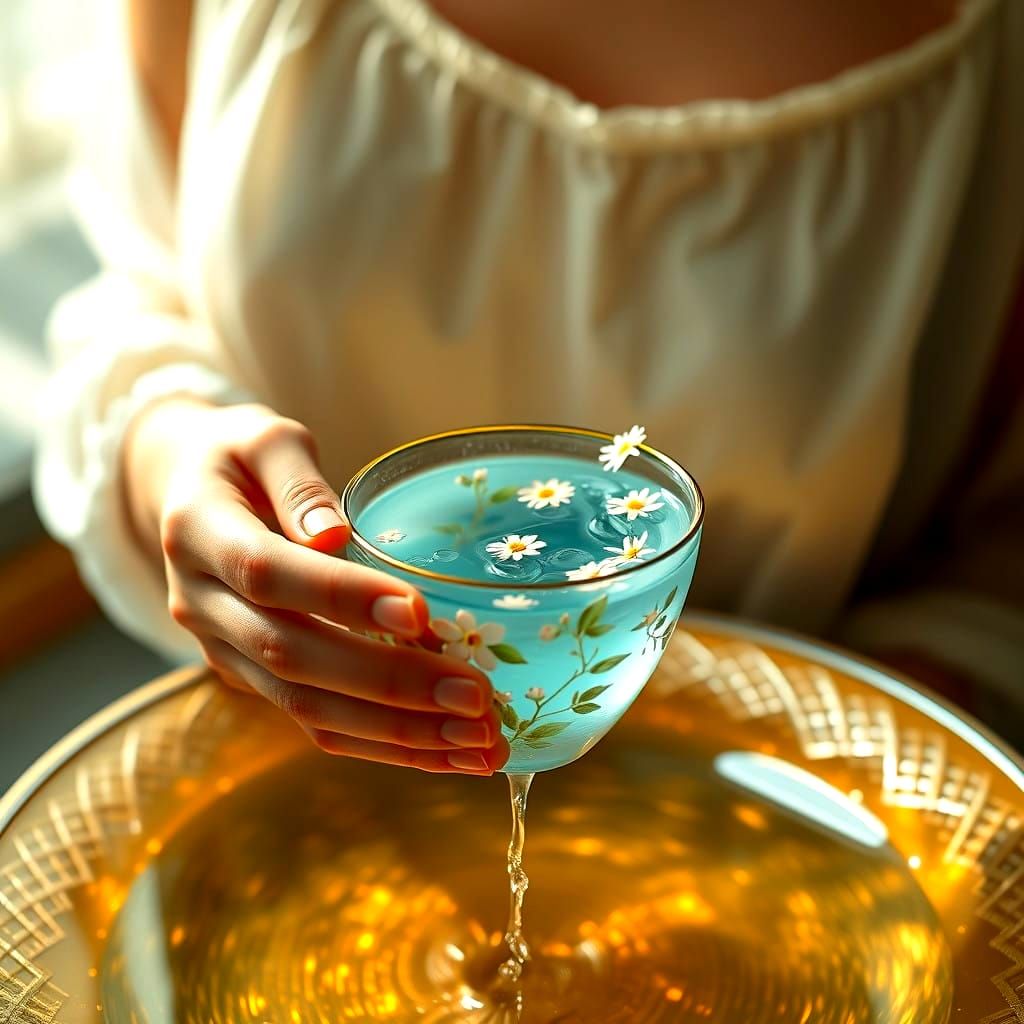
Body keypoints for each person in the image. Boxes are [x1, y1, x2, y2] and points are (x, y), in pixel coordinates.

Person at [33, 0, 1024, 775]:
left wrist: (768, 769)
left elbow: (1002, 541)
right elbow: (138, 283)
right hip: (288, 790)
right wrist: (171, 451)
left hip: (765, 831)